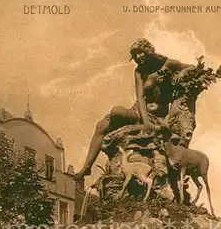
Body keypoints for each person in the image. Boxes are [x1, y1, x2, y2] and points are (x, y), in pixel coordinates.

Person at [74, 38, 194, 180]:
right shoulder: (139, 72)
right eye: (134, 55)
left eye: (139, 53)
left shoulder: (168, 64)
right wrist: (145, 122)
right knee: (103, 124)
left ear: (148, 51)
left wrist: (181, 73)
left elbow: (192, 67)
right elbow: (140, 98)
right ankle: (86, 168)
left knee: (115, 113)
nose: (137, 58)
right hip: (140, 112)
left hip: (156, 115)